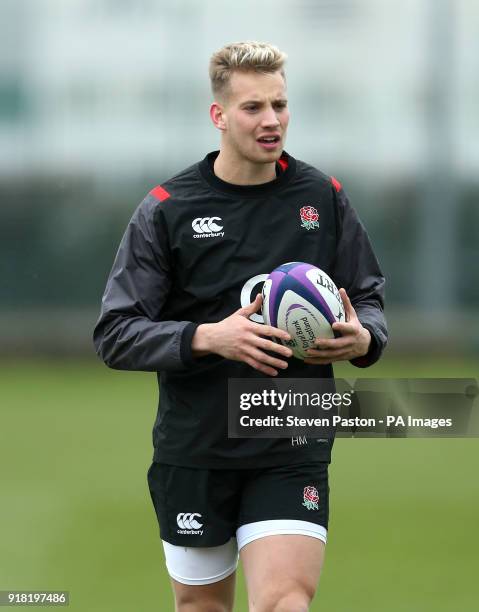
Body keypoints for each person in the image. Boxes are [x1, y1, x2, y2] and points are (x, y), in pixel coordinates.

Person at [94, 41, 387, 612]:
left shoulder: (322, 198)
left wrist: (366, 336)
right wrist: (208, 337)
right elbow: (115, 332)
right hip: (196, 445)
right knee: (202, 607)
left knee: (286, 601)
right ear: (219, 115)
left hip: (291, 435)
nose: (272, 119)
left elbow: (369, 297)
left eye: (280, 103)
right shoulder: (167, 208)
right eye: (253, 107)